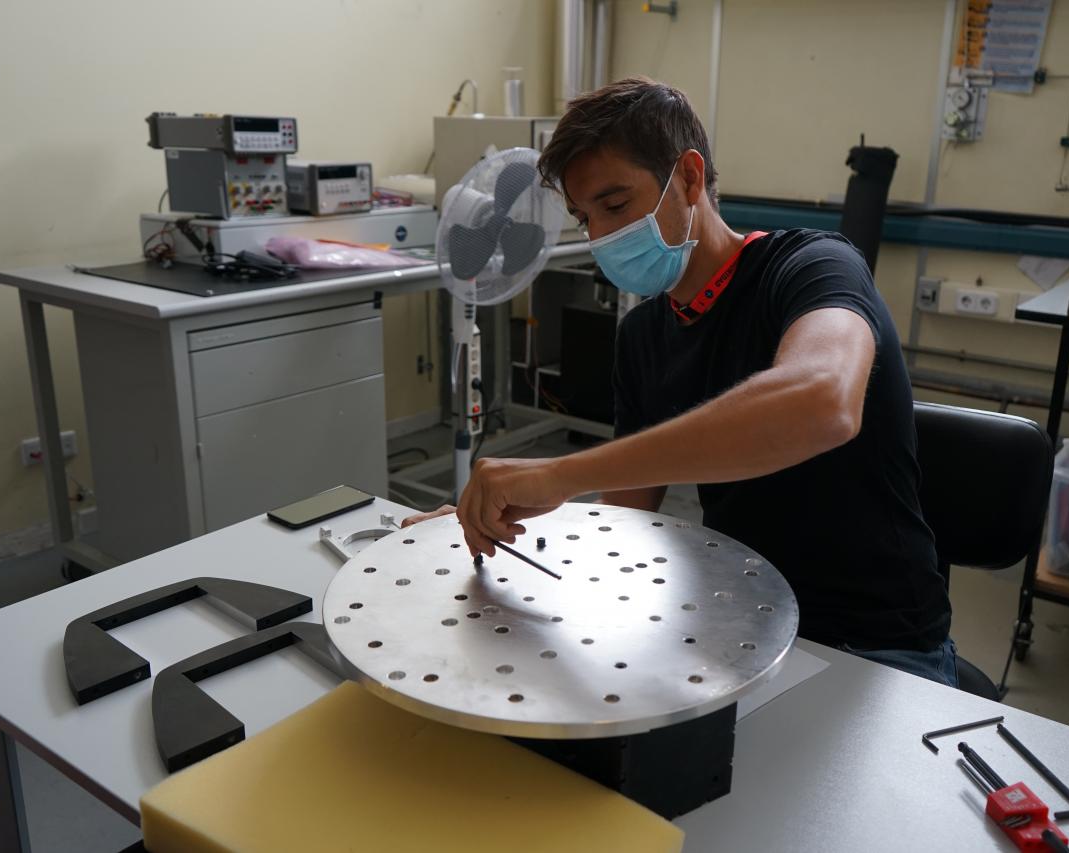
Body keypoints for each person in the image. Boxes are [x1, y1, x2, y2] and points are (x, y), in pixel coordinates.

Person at [405, 77, 955, 687]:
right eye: (585, 218)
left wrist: (557, 472)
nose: (600, 238)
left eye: (614, 206)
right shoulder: (643, 338)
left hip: (876, 645)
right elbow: (624, 524)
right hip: (749, 623)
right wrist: (494, 522)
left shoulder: (811, 268)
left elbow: (822, 401)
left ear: (690, 179)